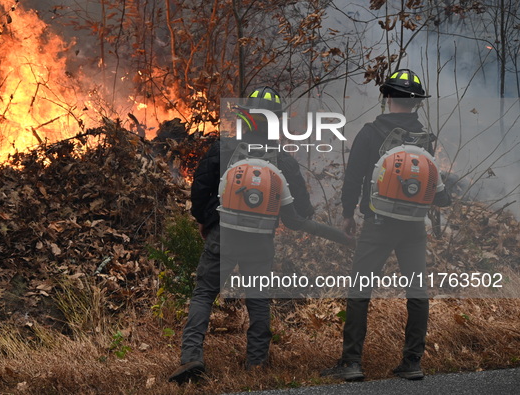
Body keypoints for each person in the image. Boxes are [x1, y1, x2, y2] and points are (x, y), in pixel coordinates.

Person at [169, 86, 353, 385]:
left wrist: (205, 221)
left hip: (222, 234)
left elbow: (200, 190)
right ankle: (256, 365)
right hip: (260, 241)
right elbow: (301, 214)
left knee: (204, 294)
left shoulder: (222, 149)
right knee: (258, 301)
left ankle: (192, 358)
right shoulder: (284, 161)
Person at [321, 69, 451, 382]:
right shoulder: (425, 139)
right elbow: (437, 190)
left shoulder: (369, 132)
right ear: (418, 102)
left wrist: (348, 213)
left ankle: (352, 363)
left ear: (387, 97)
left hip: (378, 223)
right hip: (413, 226)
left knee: (360, 290)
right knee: (417, 292)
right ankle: (412, 362)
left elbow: (354, 176)